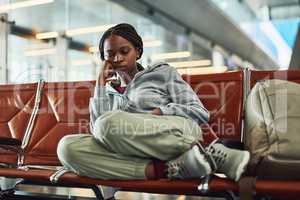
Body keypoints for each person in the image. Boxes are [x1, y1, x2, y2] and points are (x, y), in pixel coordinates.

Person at [57, 23, 250, 185]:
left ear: (138, 52)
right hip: (135, 152)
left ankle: (205, 152)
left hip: (176, 133)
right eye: (110, 55)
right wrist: (100, 85)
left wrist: (160, 112)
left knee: (107, 124)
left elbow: (199, 112)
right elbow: (98, 134)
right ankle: (167, 169)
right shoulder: (106, 92)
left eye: (124, 51)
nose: (117, 58)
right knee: (67, 148)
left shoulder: (162, 73)